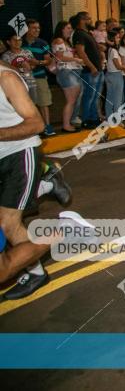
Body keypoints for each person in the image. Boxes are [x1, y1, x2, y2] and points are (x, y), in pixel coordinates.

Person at [0, 59, 73, 299]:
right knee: (11, 223)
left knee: (7, 223)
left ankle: (46, 183)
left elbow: (36, 123)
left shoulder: (6, 79)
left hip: (18, 154)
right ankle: (45, 184)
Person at [71, 12, 104, 129]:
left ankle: (94, 118)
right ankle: (86, 120)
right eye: (89, 19)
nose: (91, 21)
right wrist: (91, 66)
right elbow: (80, 51)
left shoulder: (87, 34)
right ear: (82, 20)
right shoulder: (79, 34)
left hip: (98, 69)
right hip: (90, 71)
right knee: (89, 96)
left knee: (96, 96)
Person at [21, 20, 53, 136]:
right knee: (28, 103)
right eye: (34, 28)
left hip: (39, 76)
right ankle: (33, 127)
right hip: (23, 79)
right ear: (26, 29)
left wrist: (37, 62)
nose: (37, 30)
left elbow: (49, 60)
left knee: (44, 102)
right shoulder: (20, 42)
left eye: (38, 28)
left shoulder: (42, 43)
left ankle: (47, 126)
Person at [51, 22, 83, 133]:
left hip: (72, 71)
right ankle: (66, 125)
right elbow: (59, 57)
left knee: (72, 100)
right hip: (66, 72)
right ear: (62, 29)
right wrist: (76, 60)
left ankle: (68, 122)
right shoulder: (59, 41)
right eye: (68, 28)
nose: (70, 30)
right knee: (70, 101)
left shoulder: (66, 42)